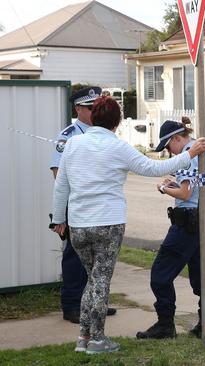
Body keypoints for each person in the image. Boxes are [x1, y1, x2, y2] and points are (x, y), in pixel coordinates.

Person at [51, 97, 205, 354]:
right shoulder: (118, 147)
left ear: (92, 117)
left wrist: (58, 219)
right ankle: (97, 340)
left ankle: (83, 336)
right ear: (116, 122)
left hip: (78, 223)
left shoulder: (72, 144)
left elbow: (61, 186)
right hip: (108, 223)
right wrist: (189, 155)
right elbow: (153, 167)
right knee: (100, 282)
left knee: (92, 280)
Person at [136, 117, 205, 340]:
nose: (170, 154)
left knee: (160, 274)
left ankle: (165, 325)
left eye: (168, 147)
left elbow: (184, 194)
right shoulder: (200, 151)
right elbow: (188, 188)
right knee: (201, 275)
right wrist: (175, 185)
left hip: (188, 223)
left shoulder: (189, 155)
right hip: (200, 217)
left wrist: (163, 188)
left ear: (177, 138)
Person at [49, 86, 117, 324]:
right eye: (91, 108)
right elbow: (58, 173)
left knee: (99, 257)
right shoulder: (69, 136)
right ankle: (71, 305)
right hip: (77, 203)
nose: (96, 111)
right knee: (74, 257)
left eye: (98, 106)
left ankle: (95, 302)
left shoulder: (106, 132)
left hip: (99, 205)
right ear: (78, 109)